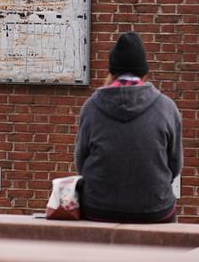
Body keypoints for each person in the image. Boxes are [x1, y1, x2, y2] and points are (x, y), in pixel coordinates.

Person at [74, 32, 183, 223]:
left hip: (98, 207)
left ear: (112, 71)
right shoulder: (167, 107)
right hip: (155, 208)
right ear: (143, 71)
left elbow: (81, 162)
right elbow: (175, 164)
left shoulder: (91, 107)